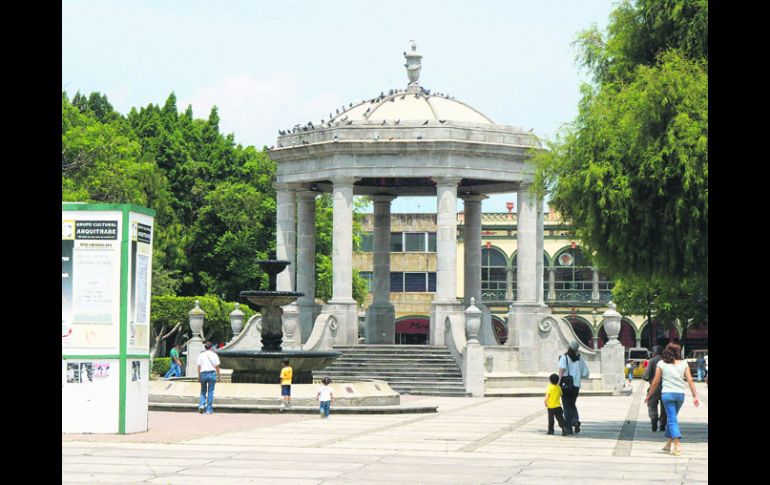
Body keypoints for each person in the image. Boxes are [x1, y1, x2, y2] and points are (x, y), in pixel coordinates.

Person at [645, 342, 699, 456]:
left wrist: (649, 395)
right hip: (680, 395)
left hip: (667, 394)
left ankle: (677, 445)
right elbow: (690, 380)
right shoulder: (684, 363)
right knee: (672, 418)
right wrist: (695, 395)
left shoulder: (661, 364)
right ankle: (668, 445)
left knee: (672, 420)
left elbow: (655, 382)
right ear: (678, 352)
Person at [558, 340, 590, 434]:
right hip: (576, 386)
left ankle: (569, 427)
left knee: (566, 406)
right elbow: (585, 373)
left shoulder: (564, 357)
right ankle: (575, 421)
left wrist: (558, 382)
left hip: (566, 385)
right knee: (572, 404)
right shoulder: (579, 359)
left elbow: (561, 370)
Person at [643, 345, 667, 432]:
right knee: (665, 407)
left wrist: (647, 378)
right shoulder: (667, 360)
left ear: (654, 352)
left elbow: (646, 375)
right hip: (666, 387)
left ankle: (654, 418)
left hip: (655, 386)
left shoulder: (652, 361)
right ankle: (663, 424)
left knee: (652, 404)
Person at [197, 341, 221, 415]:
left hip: (203, 374)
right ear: (211, 347)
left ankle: (202, 405)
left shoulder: (201, 355)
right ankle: (209, 410)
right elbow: (217, 366)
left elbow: (199, 366)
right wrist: (219, 376)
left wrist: (199, 376)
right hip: (212, 374)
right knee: (211, 391)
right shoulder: (214, 355)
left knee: (203, 391)